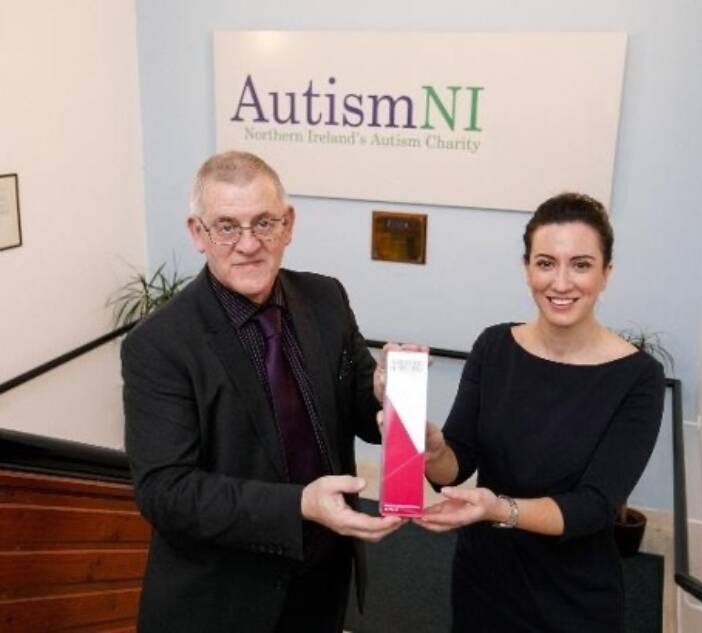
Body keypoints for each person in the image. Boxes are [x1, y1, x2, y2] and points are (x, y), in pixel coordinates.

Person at [121, 150, 404, 633]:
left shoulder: (326, 298)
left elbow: (358, 411)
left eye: (264, 223)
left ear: (288, 224)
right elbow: (165, 493)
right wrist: (299, 505)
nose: (248, 244)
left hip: (322, 579)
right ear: (198, 233)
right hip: (223, 601)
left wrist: (383, 395)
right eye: (227, 226)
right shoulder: (159, 345)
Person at [417, 193, 666, 632]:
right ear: (526, 268)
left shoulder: (638, 377)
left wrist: (497, 509)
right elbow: (453, 467)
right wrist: (433, 448)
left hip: (574, 597)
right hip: (485, 578)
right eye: (546, 263)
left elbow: (593, 507)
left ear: (606, 274)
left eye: (582, 265)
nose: (562, 283)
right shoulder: (493, 346)